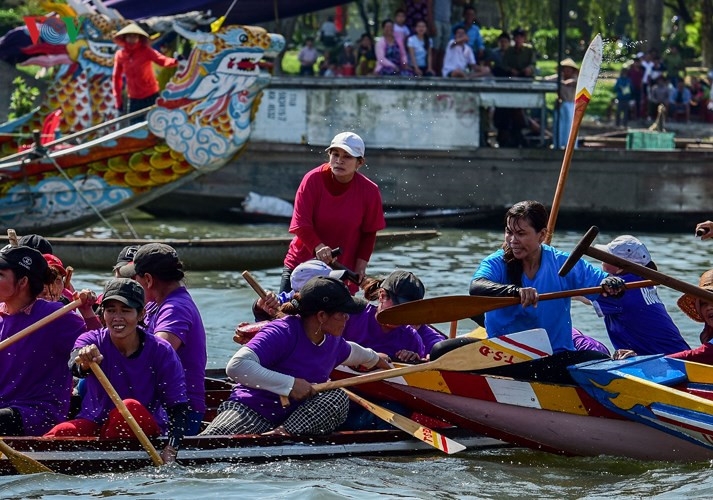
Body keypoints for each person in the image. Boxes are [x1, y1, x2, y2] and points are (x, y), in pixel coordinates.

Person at [200, 276, 390, 436]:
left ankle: (281, 434)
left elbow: (355, 352)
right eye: (342, 314)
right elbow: (236, 367)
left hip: (295, 418)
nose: (347, 318)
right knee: (209, 441)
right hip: (253, 409)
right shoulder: (282, 331)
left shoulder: (333, 341)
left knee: (336, 397)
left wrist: (377, 359)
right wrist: (290, 385)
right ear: (321, 316)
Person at [44, 278, 188, 464]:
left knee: (129, 407)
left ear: (141, 314)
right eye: (111, 310)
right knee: (62, 432)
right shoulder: (90, 340)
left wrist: (171, 448)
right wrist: (85, 362)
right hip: (97, 425)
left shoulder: (162, 350)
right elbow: (75, 366)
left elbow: (178, 407)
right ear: (103, 314)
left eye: (125, 310)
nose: (117, 317)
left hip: (143, 429)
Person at [469, 200, 626, 353]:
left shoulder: (563, 263)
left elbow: (602, 281)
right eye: (509, 232)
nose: (513, 240)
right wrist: (516, 291)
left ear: (542, 235)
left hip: (555, 354)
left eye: (521, 234)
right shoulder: (497, 262)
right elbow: (476, 286)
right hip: (506, 354)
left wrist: (612, 283)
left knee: (596, 356)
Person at [118, 243, 207, 435]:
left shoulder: (176, 308)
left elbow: (156, 355)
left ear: (148, 280)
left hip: (180, 410)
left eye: (135, 278)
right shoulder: (155, 305)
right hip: (157, 403)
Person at [281, 132, 386, 294]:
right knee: (284, 310)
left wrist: (360, 267)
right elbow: (301, 224)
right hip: (301, 269)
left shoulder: (370, 191)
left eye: (347, 156)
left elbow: (369, 233)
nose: (339, 160)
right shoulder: (312, 180)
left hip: (341, 274)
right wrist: (318, 246)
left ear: (360, 162)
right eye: (335, 154)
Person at [0, 245, 87, 435]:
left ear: (23, 282)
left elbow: (97, 347)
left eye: (0, 275)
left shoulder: (56, 316)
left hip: (36, 413)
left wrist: (88, 313)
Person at [591, 235, 689, 355]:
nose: (603, 258)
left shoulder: (621, 287)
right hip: (681, 352)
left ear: (620, 267)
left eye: (607, 256)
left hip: (666, 358)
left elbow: (586, 296)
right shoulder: (643, 281)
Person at [343, 270, 436, 362]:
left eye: (408, 311)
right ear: (382, 296)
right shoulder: (350, 317)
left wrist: (413, 360)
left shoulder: (412, 339)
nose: (402, 315)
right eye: (398, 307)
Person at [112, 22, 177, 121]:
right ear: (124, 38)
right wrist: (118, 101)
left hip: (151, 95)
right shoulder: (120, 55)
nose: (132, 38)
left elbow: (163, 60)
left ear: (139, 38)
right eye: (129, 36)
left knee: (156, 123)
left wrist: (176, 61)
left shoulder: (146, 51)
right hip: (133, 98)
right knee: (135, 127)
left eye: (135, 36)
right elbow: (116, 78)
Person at [668, 269, 713, 363]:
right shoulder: (708, 333)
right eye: (703, 303)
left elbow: (700, 354)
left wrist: (660, 361)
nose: (709, 307)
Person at [545, 58, 578, 149]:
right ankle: (558, 144)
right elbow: (546, 80)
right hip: (560, 104)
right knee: (559, 125)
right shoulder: (558, 77)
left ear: (572, 70)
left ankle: (569, 146)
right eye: (565, 68)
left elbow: (577, 82)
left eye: (569, 69)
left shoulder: (575, 79)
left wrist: (567, 82)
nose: (567, 71)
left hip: (570, 105)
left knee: (569, 126)